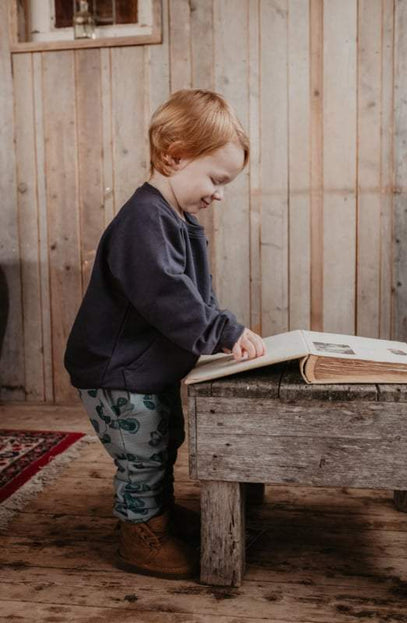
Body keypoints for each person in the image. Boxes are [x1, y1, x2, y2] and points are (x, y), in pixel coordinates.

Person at [64, 88, 266, 580]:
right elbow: (166, 293)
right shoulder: (143, 219)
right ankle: (140, 534)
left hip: (145, 370)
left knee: (161, 441)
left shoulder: (175, 217)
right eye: (216, 179)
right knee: (142, 457)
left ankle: (158, 514)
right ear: (174, 157)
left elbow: (198, 290)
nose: (220, 192)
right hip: (118, 373)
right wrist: (222, 329)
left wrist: (217, 320)